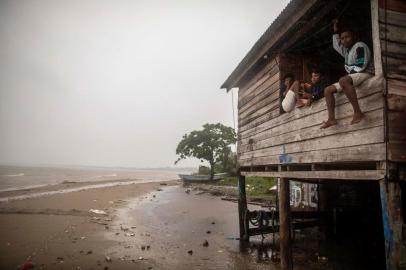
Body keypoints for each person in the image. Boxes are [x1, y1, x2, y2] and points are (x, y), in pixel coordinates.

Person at [320, 19, 374, 129]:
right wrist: (335, 31)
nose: (344, 40)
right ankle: (331, 119)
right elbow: (337, 46)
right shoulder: (347, 51)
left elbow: (361, 66)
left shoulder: (360, 46)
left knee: (343, 80)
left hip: (366, 73)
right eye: (342, 38)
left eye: (347, 37)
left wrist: (346, 78)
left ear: (353, 37)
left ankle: (358, 112)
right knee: (327, 90)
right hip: (354, 77)